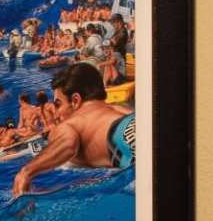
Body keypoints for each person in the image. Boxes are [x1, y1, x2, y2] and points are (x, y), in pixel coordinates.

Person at [10, 61, 127, 197]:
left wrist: (26, 172)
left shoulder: (72, 124)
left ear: (75, 100)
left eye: (58, 104)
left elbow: (68, 144)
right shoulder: (121, 110)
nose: (57, 114)